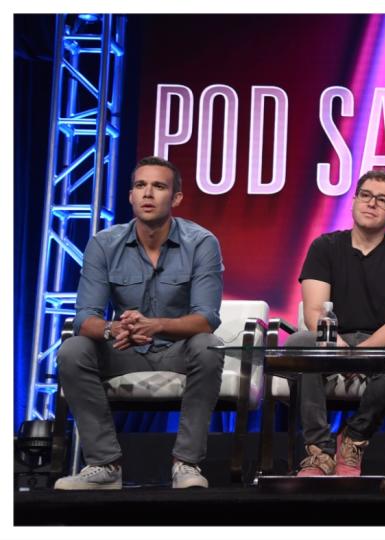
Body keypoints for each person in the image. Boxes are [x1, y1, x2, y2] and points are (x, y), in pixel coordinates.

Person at [54, 156, 225, 490]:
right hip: (123, 348)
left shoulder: (202, 242)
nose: (148, 193)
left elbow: (207, 319)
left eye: (159, 186)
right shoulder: (104, 243)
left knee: (209, 348)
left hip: (177, 349)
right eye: (140, 185)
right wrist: (112, 329)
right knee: (73, 350)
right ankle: (104, 465)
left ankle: (186, 464)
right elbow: (84, 316)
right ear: (131, 195)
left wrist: (156, 325)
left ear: (175, 197)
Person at [289, 169, 385, 477]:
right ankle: (319, 451)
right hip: (331, 338)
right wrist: (335, 345)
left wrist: (360, 352)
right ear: (353, 201)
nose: (371, 204)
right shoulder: (324, 246)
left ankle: (354, 438)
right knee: (299, 343)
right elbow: (314, 310)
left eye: (382, 200)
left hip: (381, 342)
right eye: (365, 195)